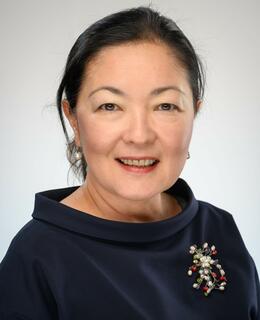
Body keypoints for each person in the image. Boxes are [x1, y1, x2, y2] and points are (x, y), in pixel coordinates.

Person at [0, 5, 259, 320]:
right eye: (110, 106)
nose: (139, 135)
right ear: (74, 120)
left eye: (165, 105)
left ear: (194, 113)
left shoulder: (220, 229)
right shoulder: (36, 258)